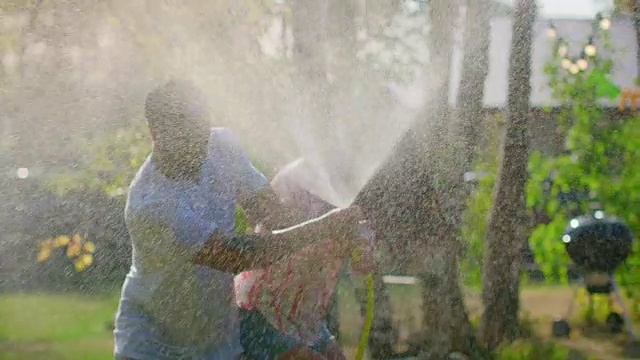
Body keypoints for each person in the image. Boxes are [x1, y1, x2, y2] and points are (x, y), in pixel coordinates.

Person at [113, 80, 366, 360]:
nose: (198, 144)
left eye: (202, 130)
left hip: (222, 328)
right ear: (156, 133)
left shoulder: (221, 146)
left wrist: (335, 235)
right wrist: (325, 227)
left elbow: (273, 215)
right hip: (155, 344)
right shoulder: (153, 203)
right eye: (186, 135)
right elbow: (237, 256)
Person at [235, 157, 376, 360]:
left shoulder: (347, 188)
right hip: (262, 311)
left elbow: (361, 262)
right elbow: (273, 237)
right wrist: (329, 229)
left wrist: (363, 253)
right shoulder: (293, 180)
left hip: (306, 320)